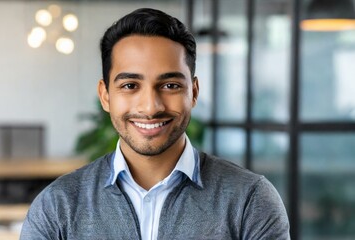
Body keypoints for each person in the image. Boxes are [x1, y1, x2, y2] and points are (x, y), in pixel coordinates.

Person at [20, 8, 290, 240]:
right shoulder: (57, 206)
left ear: (193, 93)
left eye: (170, 85)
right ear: (105, 95)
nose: (150, 107)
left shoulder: (250, 200)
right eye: (130, 85)